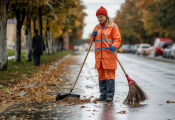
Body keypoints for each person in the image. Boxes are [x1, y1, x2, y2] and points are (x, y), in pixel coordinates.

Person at [90, 6, 121, 102]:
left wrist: (114, 46)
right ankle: (103, 94)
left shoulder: (113, 26)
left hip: (109, 55)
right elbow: (92, 39)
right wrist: (93, 36)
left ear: (106, 16)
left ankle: (110, 95)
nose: (99, 19)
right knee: (101, 76)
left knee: (110, 76)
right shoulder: (96, 27)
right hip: (99, 56)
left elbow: (118, 39)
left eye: (101, 17)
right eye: (98, 17)